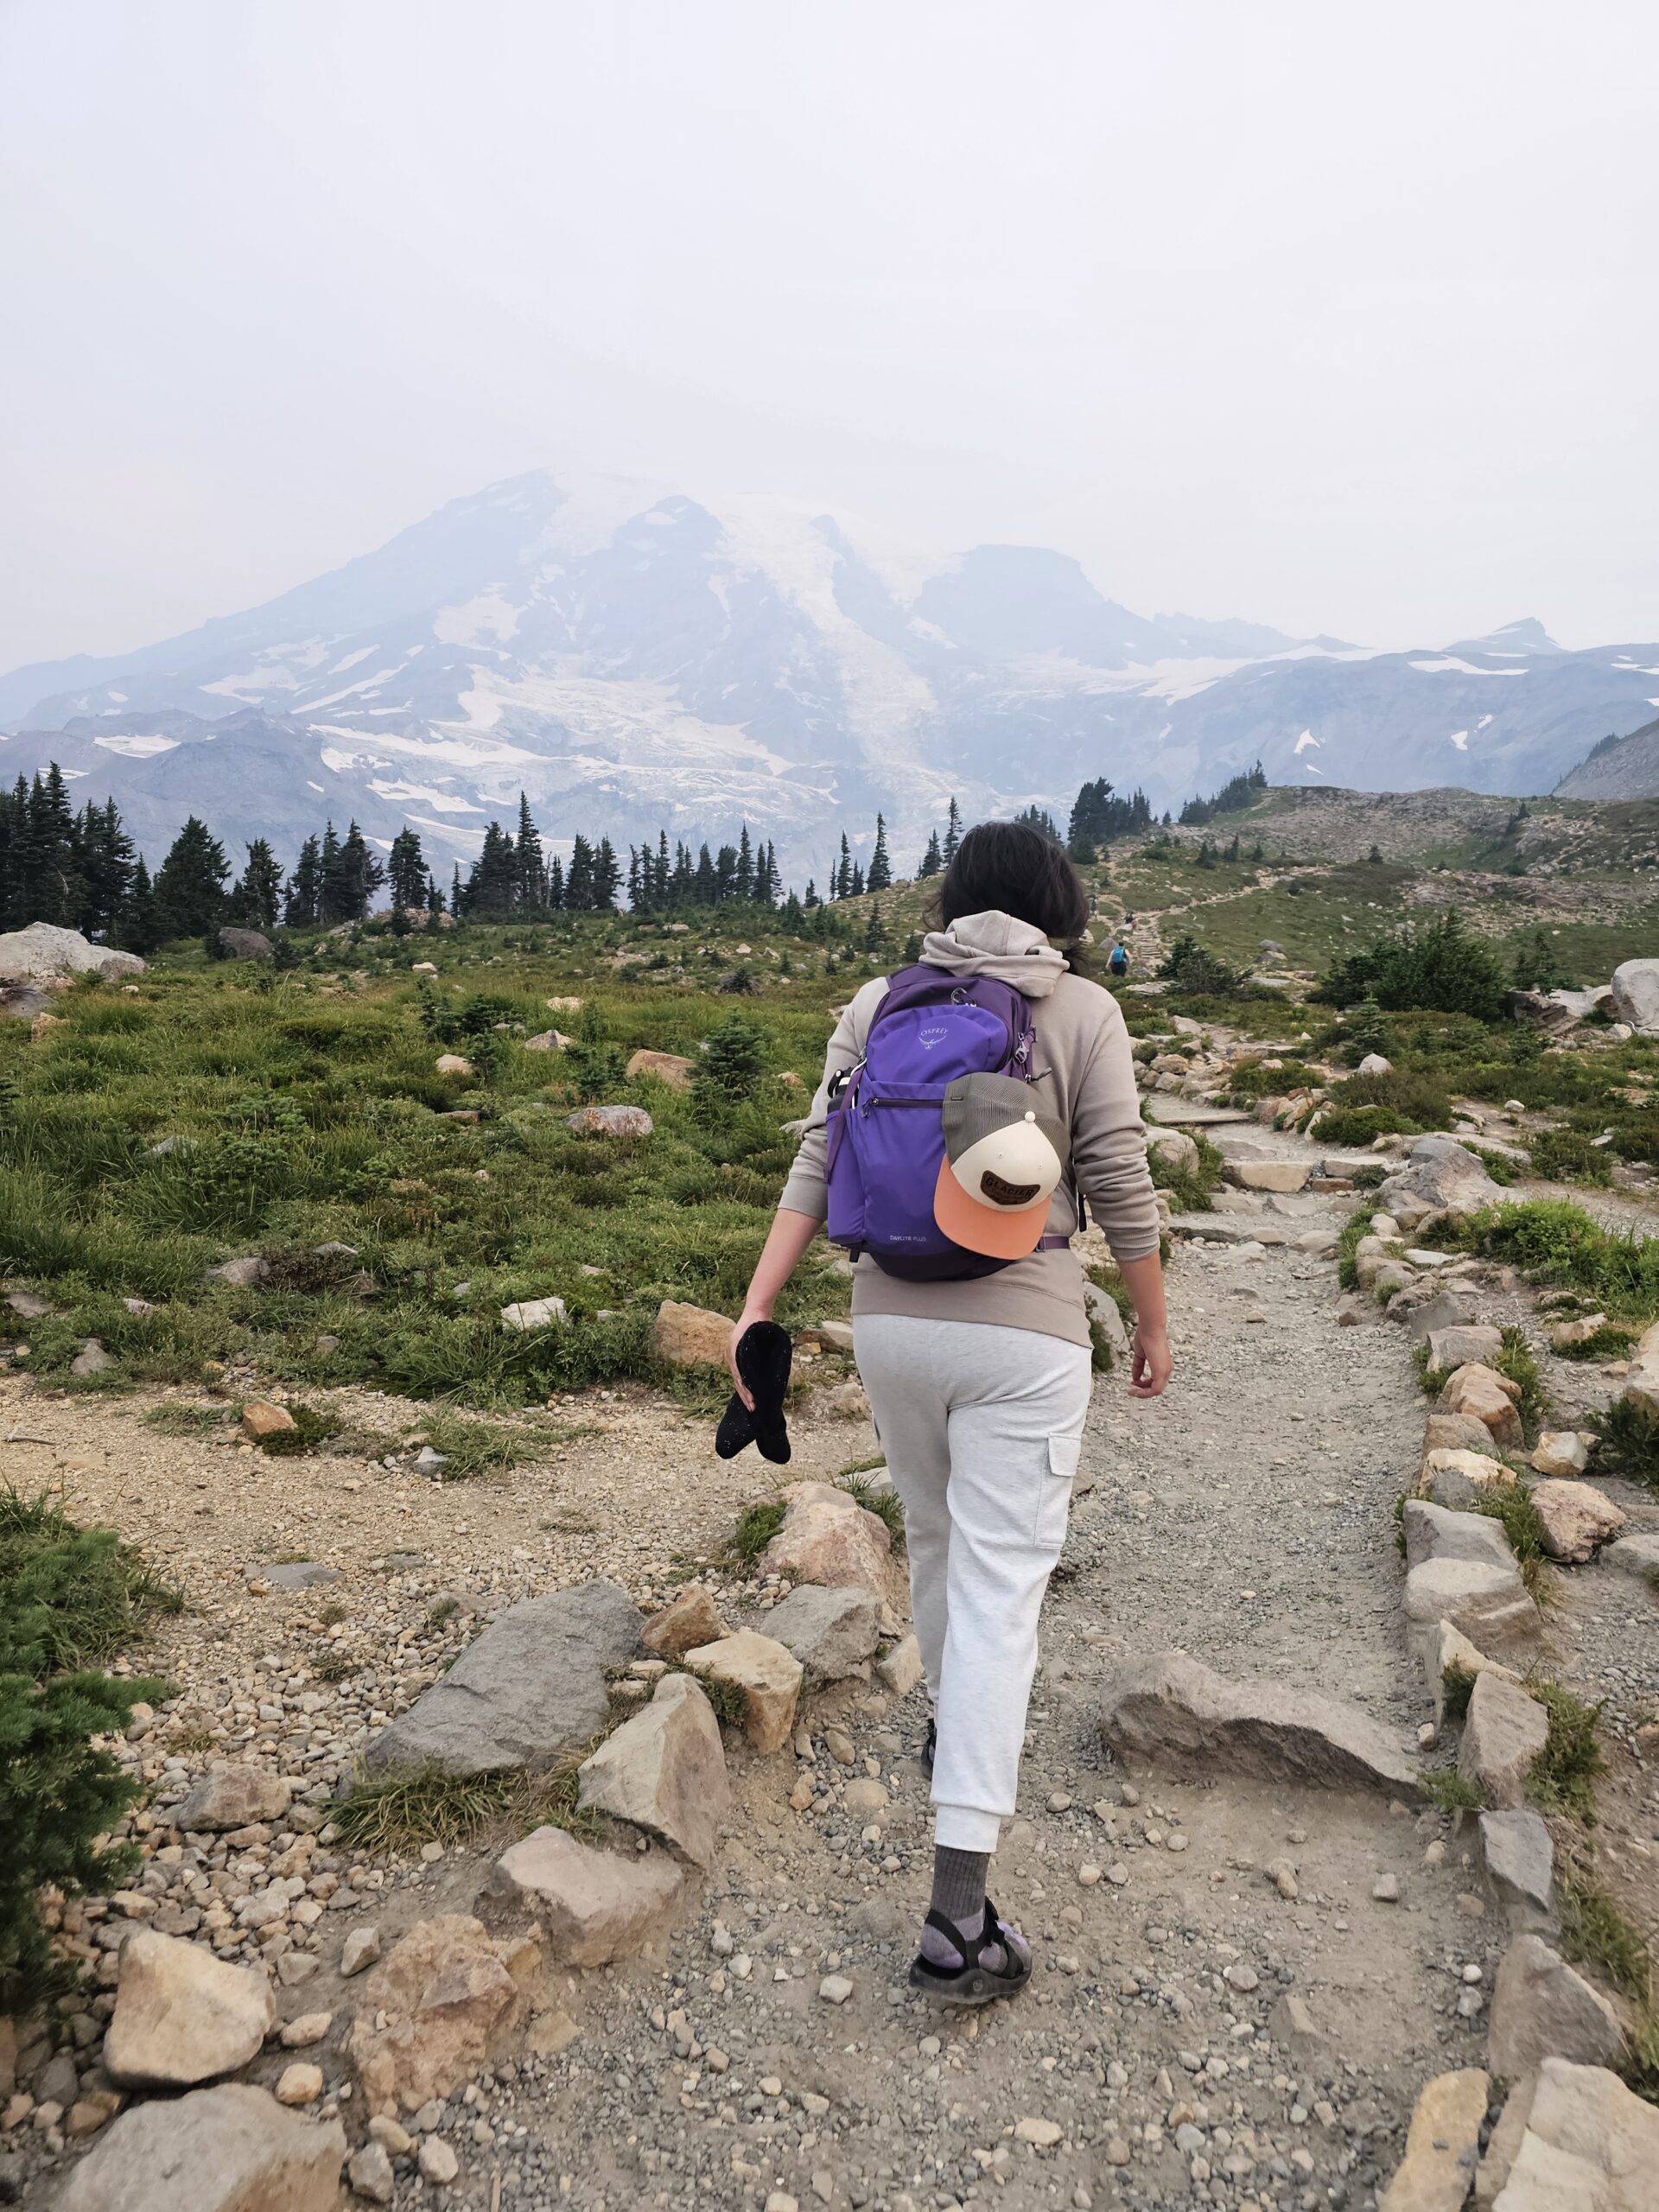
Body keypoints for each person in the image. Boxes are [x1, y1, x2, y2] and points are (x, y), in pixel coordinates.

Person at [728, 821, 1172, 2004]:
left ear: (955, 901)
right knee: (1002, 1589)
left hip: (890, 1324)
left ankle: (948, 1732)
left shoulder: (878, 1002)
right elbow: (1119, 1176)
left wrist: (756, 1306)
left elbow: (817, 1163)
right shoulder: (1081, 1010)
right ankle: (955, 1920)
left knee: (934, 1545)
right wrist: (1155, 1322)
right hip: (1023, 1331)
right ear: (1059, 904)